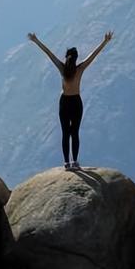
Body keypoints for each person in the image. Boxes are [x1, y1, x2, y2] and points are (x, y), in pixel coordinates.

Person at [27, 30, 113, 169]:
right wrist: (105, 41)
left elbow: (49, 54)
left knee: (66, 133)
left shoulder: (62, 68)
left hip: (65, 103)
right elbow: (93, 56)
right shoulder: (79, 69)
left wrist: (36, 40)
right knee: (75, 133)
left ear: (67, 57)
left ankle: (67, 162)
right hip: (76, 103)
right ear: (76, 58)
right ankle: (74, 162)